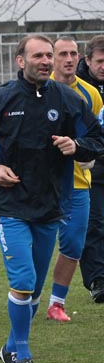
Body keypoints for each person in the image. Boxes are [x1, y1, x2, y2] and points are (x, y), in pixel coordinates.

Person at [0, 34, 104, 363]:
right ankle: (22, 356)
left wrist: (77, 144)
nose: (45, 60)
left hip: (50, 206)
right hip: (8, 205)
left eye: (48, 55)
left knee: (34, 291)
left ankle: (10, 346)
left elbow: (97, 139)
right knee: (22, 282)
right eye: (38, 55)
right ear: (20, 61)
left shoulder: (69, 100)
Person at [46, 36, 104, 322]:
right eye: (62, 54)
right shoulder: (37, 89)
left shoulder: (91, 94)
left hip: (79, 181)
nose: (68, 59)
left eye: (72, 54)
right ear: (52, 58)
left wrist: (86, 154)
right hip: (42, 181)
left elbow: (95, 135)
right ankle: (28, 295)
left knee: (73, 244)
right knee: (38, 245)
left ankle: (57, 302)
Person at [77, 35, 104, 302]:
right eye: (100, 61)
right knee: (94, 224)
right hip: (92, 168)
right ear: (88, 61)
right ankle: (98, 280)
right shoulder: (81, 89)